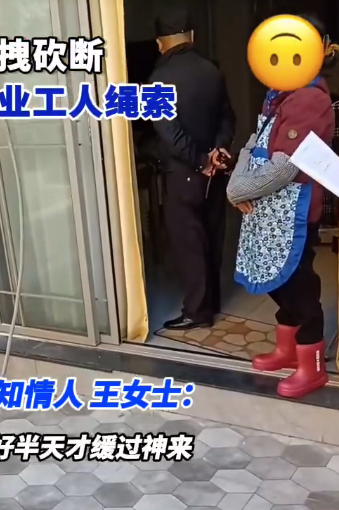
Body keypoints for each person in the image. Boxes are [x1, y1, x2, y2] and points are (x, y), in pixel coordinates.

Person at [226, 15, 337, 398]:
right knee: (278, 281)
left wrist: (237, 190)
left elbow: (284, 167)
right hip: (268, 207)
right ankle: (287, 350)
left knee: (298, 285)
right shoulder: (280, 93)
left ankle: (312, 366)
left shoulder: (310, 99)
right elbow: (252, 143)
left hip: (293, 213)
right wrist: (240, 184)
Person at [146, 1, 236, 330]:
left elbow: (169, 134)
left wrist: (199, 161)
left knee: (189, 244)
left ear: (160, 43)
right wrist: (217, 153)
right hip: (214, 173)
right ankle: (211, 303)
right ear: (192, 36)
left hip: (184, 174)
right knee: (211, 235)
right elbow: (227, 118)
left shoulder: (157, 80)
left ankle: (197, 312)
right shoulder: (212, 70)